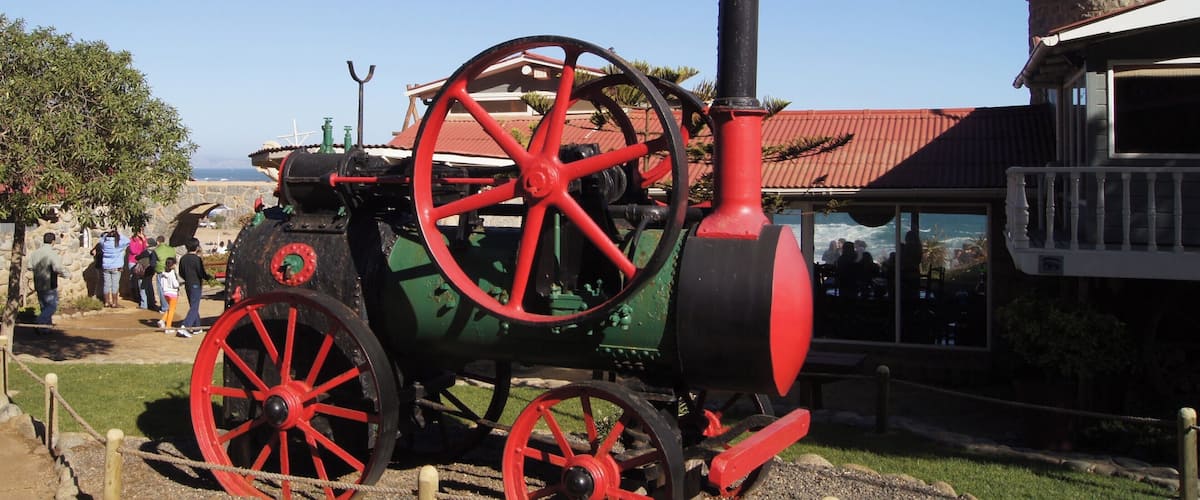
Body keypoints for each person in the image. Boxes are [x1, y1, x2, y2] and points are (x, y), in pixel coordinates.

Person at [27, 233, 70, 325]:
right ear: (53, 241)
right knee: (52, 306)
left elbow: (30, 266)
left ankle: (45, 329)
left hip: (38, 282)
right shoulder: (52, 253)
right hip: (49, 283)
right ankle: (40, 321)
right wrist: (66, 275)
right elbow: (57, 268)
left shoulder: (35, 253)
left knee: (43, 306)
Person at [177, 237, 211, 338]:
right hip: (196, 284)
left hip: (187, 283)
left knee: (193, 305)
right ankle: (185, 326)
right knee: (194, 307)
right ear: (197, 247)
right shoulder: (197, 259)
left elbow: (181, 272)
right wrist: (208, 278)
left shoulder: (183, 258)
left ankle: (197, 327)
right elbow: (201, 272)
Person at [93, 229, 129, 308]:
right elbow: (127, 240)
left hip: (106, 266)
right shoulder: (118, 244)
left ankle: (106, 302)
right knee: (115, 285)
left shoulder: (104, 243)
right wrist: (119, 234)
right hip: (116, 267)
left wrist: (107, 235)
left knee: (106, 285)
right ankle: (114, 303)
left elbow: (100, 240)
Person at [157, 257, 181, 335]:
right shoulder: (172, 273)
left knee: (170, 308)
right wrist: (178, 284)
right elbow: (175, 284)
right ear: (173, 265)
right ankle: (168, 327)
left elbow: (162, 284)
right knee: (172, 310)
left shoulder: (163, 273)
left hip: (166, 293)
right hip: (173, 293)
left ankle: (162, 320)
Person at [127, 230, 151, 309]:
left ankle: (141, 298)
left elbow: (145, 249)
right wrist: (140, 253)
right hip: (133, 261)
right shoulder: (132, 240)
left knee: (140, 280)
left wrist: (144, 240)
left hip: (141, 262)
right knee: (132, 279)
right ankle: (135, 295)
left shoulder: (143, 239)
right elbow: (133, 250)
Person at [153, 235, 176, 313]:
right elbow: (174, 259)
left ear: (157, 242)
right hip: (171, 270)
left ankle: (164, 307)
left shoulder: (156, 250)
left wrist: (155, 269)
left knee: (162, 289)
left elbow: (152, 263)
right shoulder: (171, 249)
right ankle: (171, 305)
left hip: (161, 271)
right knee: (171, 289)